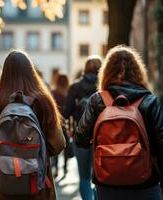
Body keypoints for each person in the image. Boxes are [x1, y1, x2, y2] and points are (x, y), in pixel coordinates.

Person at [75, 45, 163, 200]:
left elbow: (80, 139)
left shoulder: (97, 100)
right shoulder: (149, 101)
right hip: (145, 182)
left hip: (106, 183)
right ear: (138, 72)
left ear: (106, 72)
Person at [0, 50, 66, 200]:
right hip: (37, 188)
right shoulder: (44, 102)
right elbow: (58, 145)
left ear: (4, 74)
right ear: (31, 73)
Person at [63, 55, 102, 200]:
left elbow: (66, 113)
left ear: (85, 69)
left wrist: (68, 129)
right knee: (100, 176)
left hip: (81, 135)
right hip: (102, 136)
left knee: (84, 176)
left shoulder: (75, 87)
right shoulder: (103, 86)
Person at [51, 74, 72, 178]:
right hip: (65, 123)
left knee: (55, 145)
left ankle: (55, 167)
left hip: (56, 123)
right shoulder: (68, 93)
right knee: (66, 146)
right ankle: (65, 167)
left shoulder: (53, 92)